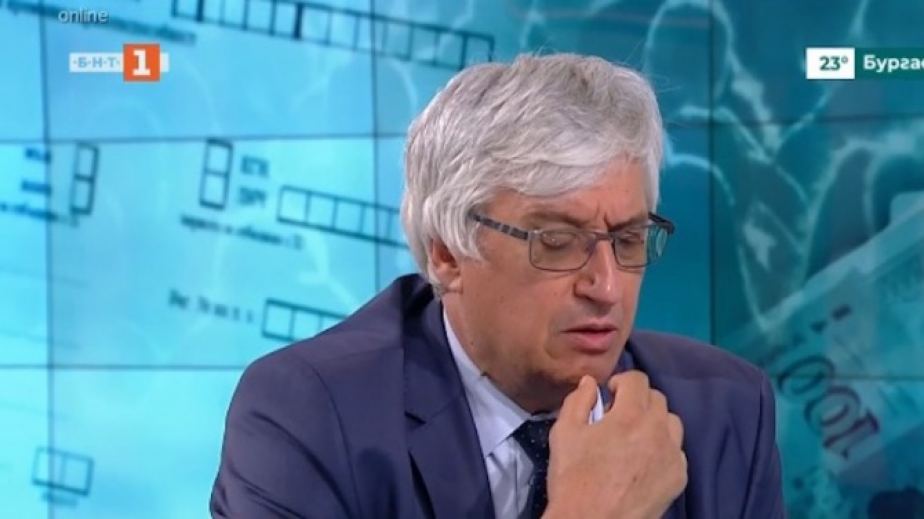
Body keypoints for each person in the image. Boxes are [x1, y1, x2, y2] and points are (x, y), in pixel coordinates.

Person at [209, 52, 786, 519]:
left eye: (628, 239)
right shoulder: (309, 413)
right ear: (447, 254)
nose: (607, 287)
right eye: (557, 242)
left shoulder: (724, 413)